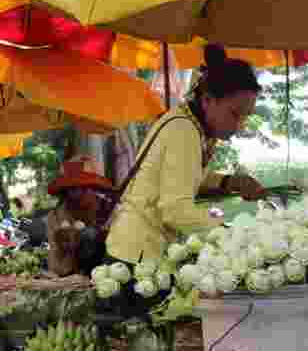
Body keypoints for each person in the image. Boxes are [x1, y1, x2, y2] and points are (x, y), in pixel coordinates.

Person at [107, 44, 267, 267]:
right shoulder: (184, 130)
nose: (239, 125)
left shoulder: (184, 123)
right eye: (234, 114)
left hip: (132, 250)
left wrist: (229, 182)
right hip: (137, 256)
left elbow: (185, 177)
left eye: (245, 117)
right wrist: (230, 232)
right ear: (208, 100)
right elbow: (175, 210)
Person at [44, 156, 113, 276]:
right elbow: (54, 254)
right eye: (73, 188)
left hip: (106, 273)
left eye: (85, 187)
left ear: (92, 187)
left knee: (90, 234)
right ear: (65, 191)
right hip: (71, 276)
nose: (79, 192)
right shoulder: (54, 217)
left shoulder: (109, 209)